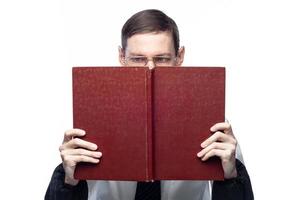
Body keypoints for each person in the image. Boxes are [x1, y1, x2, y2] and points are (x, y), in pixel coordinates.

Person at [45, 9, 253, 200]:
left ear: (179, 57)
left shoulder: (208, 118)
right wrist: (67, 180)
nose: (150, 69)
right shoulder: (93, 115)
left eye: (161, 58)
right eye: (137, 59)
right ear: (121, 57)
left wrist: (231, 175)